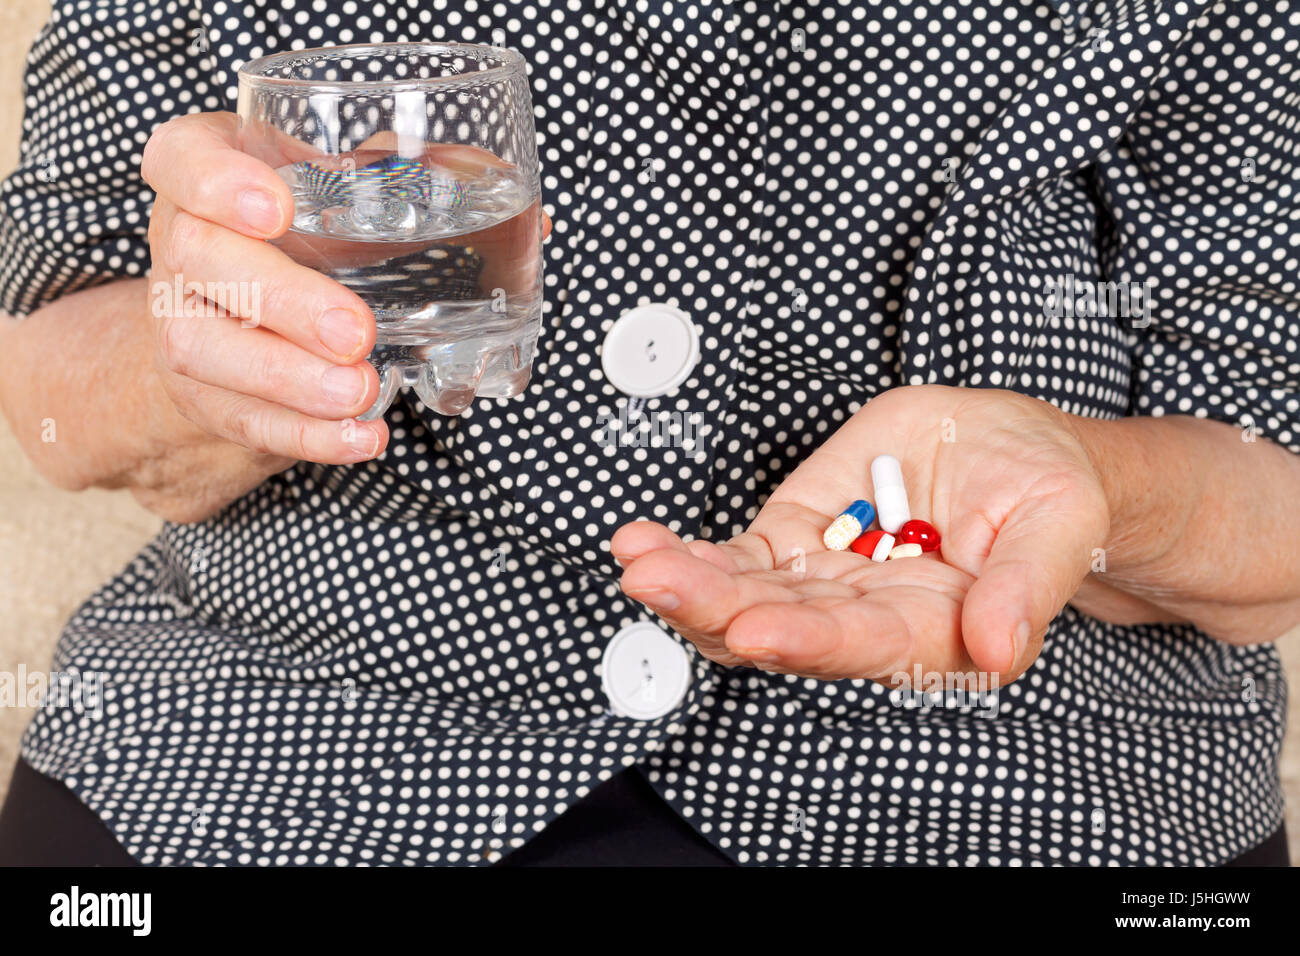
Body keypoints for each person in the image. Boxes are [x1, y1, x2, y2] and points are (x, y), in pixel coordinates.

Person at [0, 0, 1296, 867]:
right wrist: (212, 367)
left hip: (1032, 784)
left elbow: (1274, 490)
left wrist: (1097, 491)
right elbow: (54, 380)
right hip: (265, 757)